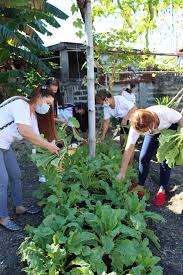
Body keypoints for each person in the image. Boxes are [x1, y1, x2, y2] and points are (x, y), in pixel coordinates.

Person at [0, 86, 60, 231]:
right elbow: (25, 131)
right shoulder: (21, 105)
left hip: (4, 144)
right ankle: (3, 217)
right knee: (3, 180)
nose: (47, 107)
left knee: (16, 175)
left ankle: (19, 206)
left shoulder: (32, 115)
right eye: (47, 102)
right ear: (39, 97)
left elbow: (36, 137)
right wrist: (48, 146)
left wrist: (53, 148)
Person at [117, 105, 183, 206]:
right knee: (143, 158)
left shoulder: (165, 113)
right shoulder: (137, 125)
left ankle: (162, 190)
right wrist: (122, 172)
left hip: (170, 128)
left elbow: (180, 119)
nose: (141, 134)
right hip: (152, 132)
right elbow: (128, 149)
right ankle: (140, 186)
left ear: (151, 124)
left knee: (165, 160)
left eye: (144, 132)